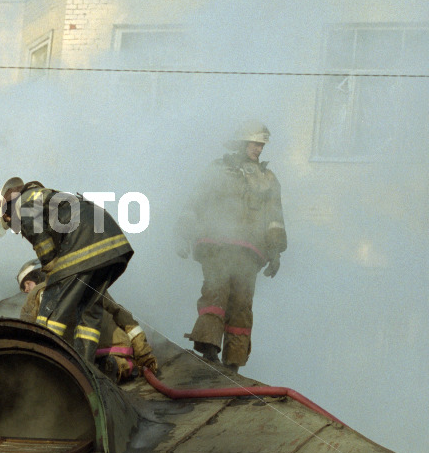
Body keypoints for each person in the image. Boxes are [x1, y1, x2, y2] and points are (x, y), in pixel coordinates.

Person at [176, 120, 287, 373]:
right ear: (241, 142)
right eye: (254, 143)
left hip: (249, 253)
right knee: (216, 294)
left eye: (261, 145)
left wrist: (276, 251)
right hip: (216, 245)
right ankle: (209, 349)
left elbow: (274, 219)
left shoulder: (267, 179)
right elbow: (195, 203)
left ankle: (233, 364)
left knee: (241, 306)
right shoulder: (218, 169)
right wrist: (182, 235)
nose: (258, 149)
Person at [0, 177, 133, 363]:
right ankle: (85, 365)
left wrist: (51, 268)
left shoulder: (24, 204)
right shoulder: (38, 196)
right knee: (89, 310)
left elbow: (42, 241)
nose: (12, 225)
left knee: (52, 306)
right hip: (111, 244)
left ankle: (43, 362)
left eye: (7, 220)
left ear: (6, 210)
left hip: (85, 243)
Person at [19, 271, 159, 383]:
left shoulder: (36, 294)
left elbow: (27, 332)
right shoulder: (86, 281)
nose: (25, 290)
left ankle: (106, 368)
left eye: (27, 284)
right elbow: (121, 315)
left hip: (77, 356)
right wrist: (144, 353)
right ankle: (119, 366)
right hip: (117, 347)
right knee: (127, 363)